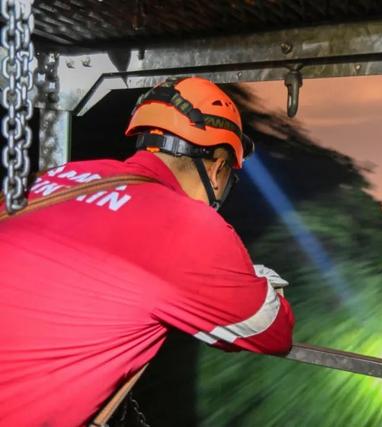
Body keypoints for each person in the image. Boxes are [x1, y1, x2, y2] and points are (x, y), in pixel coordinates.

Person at [0, 77, 295, 426]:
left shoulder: (57, 176)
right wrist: (259, 279)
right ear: (217, 169)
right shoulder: (190, 226)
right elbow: (272, 332)